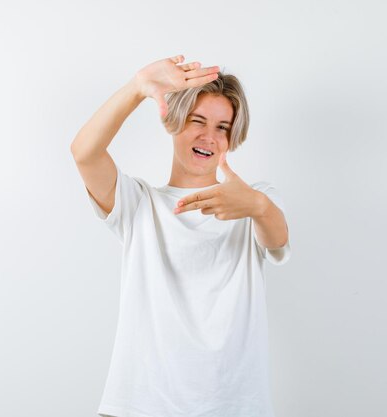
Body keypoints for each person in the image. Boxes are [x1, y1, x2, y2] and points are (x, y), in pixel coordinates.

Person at [70, 54, 291, 417]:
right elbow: (84, 153)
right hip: (139, 405)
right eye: (197, 121)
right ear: (173, 122)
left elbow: (278, 238)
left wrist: (256, 205)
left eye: (223, 127)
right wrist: (137, 87)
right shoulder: (139, 204)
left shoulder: (254, 202)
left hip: (233, 406)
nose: (209, 136)